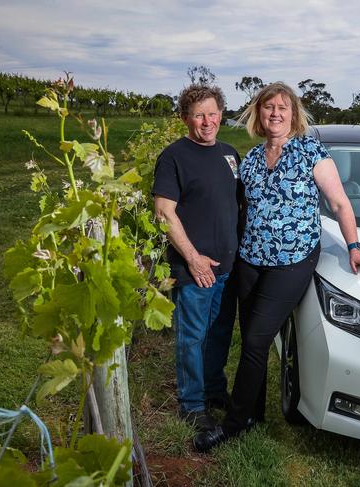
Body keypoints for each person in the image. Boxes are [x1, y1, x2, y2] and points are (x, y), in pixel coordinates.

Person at [193, 82, 360, 451]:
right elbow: (238, 209)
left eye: (282, 107)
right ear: (258, 115)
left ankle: (233, 423)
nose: (275, 113)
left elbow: (340, 204)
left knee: (258, 340)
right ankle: (254, 412)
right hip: (250, 259)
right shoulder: (252, 159)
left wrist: (354, 247)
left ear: (293, 114)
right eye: (268, 108)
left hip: (291, 262)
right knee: (250, 341)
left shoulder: (311, 151)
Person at [152, 84, 242, 432]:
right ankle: (192, 404)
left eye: (212, 113)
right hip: (194, 267)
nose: (207, 121)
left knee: (219, 333)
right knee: (193, 336)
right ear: (186, 118)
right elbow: (164, 213)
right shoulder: (175, 157)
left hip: (227, 266)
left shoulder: (230, 154)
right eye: (198, 115)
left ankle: (214, 390)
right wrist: (192, 258)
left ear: (221, 113)